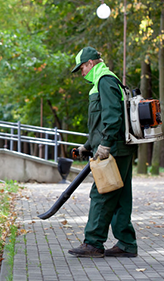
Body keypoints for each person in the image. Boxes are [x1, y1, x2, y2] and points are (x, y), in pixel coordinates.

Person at [68, 46, 138, 258]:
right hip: (119, 147)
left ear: (90, 63)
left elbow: (113, 115)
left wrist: (105, 145)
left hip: (114, 148)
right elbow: (99, 124)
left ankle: (93, 243)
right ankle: (127, 244)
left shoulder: (104, 81)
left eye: (81, 68)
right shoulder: (104, 81)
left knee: (102, 194)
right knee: (120, 196)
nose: (81, 73)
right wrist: (87, 147)